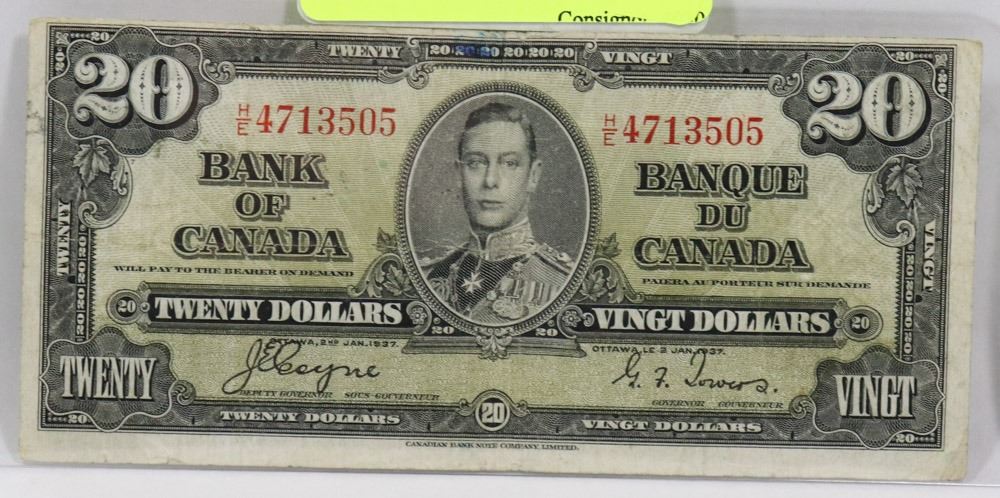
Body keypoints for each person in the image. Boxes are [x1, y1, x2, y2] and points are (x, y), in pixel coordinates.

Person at [419, 102, 573, 324]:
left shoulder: (564, 281)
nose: (490, 180)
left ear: (533, 176)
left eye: (509, 163)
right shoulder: (428, 276)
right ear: (459, 174)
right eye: (476, 163)